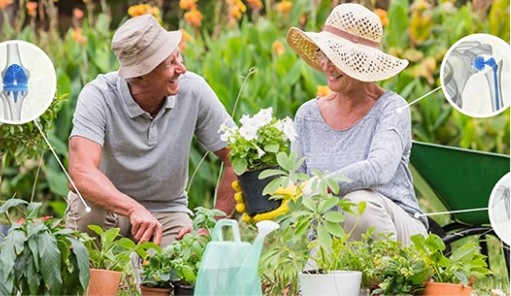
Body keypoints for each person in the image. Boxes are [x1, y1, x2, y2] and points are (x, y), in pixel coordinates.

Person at [234, 3, 428, 245]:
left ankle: (391, 280)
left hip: (399, 232)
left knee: (358, 204)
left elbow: (379, 168)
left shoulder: (391, 108)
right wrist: (267, 198)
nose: (326, 65)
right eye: (323, 53)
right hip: (331, 238)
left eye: (337, 56)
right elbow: (299, 184)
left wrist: (319, 186)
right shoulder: (308, 115)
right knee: (309, 275)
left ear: (363, 61)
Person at [65, 14, 237, 248]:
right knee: (85, 210)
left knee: (186, 264)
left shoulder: (194, 90)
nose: (182, 69)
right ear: (140, 75)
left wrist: (211, 225)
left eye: (179, 56)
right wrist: (133, 208)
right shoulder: (99, 95)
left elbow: (236, 156)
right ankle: (91, 281)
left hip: (167, 210)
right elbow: (80, 172)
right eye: (170, 63)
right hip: (108, 207)